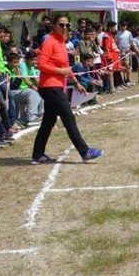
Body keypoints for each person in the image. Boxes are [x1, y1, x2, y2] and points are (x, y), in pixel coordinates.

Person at [31, 14, 102, 165]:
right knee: (68, 117)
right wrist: (60, 72)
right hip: (49, 86)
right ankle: (85, 151)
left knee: (48, 122)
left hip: (56, 86)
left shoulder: (61, 42)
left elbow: (65, 67)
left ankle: (38, 155)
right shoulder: (49, 41)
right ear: (54, 26)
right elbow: (41, 65)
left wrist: (76, 82)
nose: (64, 28)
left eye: (67, 25)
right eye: (61, 25)